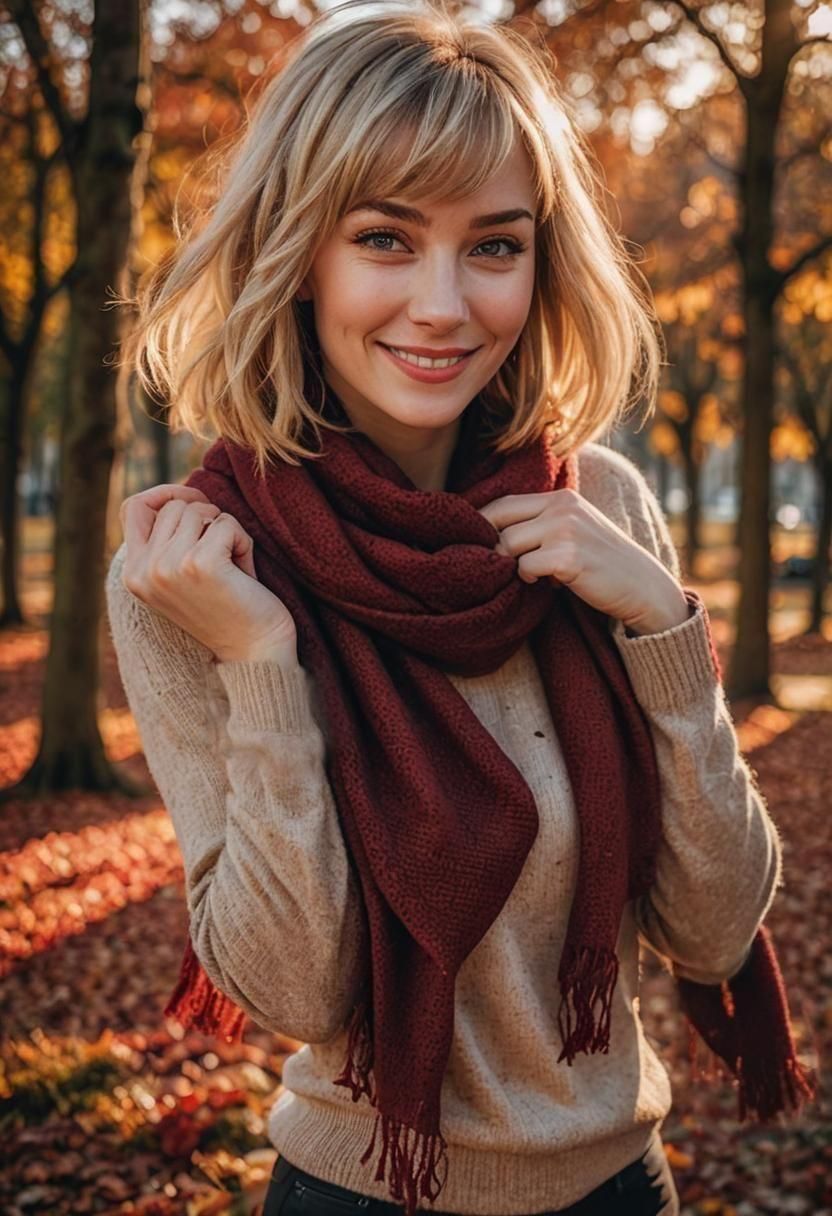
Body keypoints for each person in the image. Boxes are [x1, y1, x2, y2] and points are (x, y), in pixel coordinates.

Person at [106, 3, 813, 1215]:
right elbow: (294, 993)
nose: (443, 304)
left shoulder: (599, 509)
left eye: (494, 246)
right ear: (297, 248)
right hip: (357, 1193)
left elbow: (712, 931)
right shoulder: (199, 572)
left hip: (618, 1190)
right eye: (385, 238)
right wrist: (266, 663)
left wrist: (664, 634)